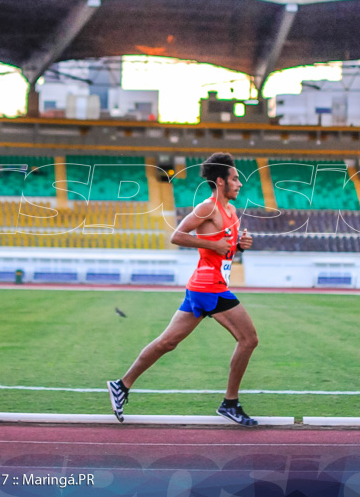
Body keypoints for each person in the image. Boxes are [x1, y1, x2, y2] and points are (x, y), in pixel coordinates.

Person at [107, 152, 258, 426]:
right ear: (221, 182)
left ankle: (122, 385)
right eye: (235, 179)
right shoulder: (207, 208)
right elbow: (177, 235)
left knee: (168, 342)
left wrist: (239, 245)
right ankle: (230, 403)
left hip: (204, 286)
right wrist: (213, 245)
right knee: (249, 339)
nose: (240, 184)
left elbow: (226, 247)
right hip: (209, 287)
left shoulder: (232, 212)